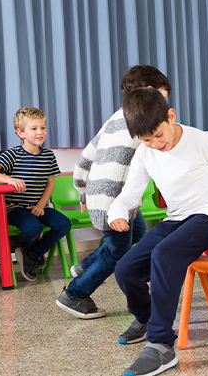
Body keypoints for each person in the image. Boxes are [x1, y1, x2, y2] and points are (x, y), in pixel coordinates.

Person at [110, 87, 208, 376]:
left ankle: (161, 346)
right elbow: (130, 194)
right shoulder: (145, 153)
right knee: (126, 269)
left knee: (165, 255)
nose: (154, 144)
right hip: (175, 219)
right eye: (146, 139)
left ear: (171, 116)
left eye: (159, 135)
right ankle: (147, 317)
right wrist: (117, 211)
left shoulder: (201, 140)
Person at [56, 65, 171, 320]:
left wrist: (82, 191)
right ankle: (75, 294)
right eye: (163, 98)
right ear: (150, 92)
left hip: (101, 194)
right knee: (118, 251)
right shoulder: (144, 119)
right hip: (114, 198)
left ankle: (84, 267)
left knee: (138, 232)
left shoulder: (115, 117)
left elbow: (85, 157)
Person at [0, 108, 71, 282]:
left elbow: (50, 182)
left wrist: (40, 205)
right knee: (33, 228)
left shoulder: (48, 155)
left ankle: (31, 253)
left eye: (43, 128)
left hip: (37, 205)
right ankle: (30, 253)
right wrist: (8, 179)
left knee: (64, 224)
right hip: (13, 208)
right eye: (34, 128)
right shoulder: (13, 154)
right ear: (20, 132)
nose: (40, 132)